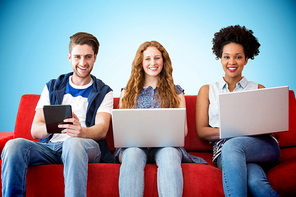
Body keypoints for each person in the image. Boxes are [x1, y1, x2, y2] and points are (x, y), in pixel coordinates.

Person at [1, 32, 114, 197]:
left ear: (95, 57)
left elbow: (102, 129)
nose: (82, 62)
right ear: (69, 57)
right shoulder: (52, 87)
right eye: (77, 57)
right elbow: (35, 130)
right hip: (51, 147)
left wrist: (81, 133)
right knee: (13, 145)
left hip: (85, 146)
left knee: (72, 144)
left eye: (88, 57)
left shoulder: (104, 91)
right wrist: (55, 126)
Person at [195, 25, 280, 197]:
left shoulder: (258, 88)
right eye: (226, 57)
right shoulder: (207, 90)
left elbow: (274, 131)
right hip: (225, 151)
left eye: (238, 57)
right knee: (255, 181)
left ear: (246, 59)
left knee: (232, 145)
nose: (232, 62)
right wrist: (233, 132)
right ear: (220, 58)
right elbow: (202, 132)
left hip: (261, 147)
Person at [114, 41, 207, 197]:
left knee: (169, 154)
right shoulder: (127, 92)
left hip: (167, 146)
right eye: (148, 59)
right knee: (132, 154)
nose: (153, 63)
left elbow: (183, 131)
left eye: (157, 58)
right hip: (134, 147)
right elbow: (122, 128)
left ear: (163, 61)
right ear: (140, 63)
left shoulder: (176, 92)